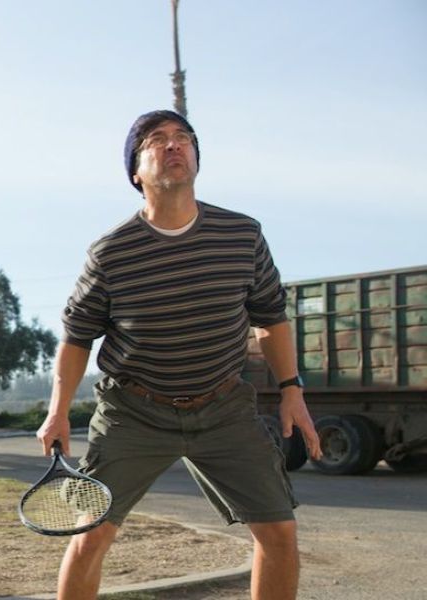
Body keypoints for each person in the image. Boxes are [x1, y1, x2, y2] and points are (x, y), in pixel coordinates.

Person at [36, 109, 323, 600]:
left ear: (194, 158)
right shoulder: (111, 252)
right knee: (91, 536)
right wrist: (57, 412)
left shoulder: (242, 235)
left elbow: (270, 316)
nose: (173, 146)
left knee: (279, 533)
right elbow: (77, 338)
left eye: (183, 138)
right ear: (135, 172)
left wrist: (292, 390)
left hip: (224, 407)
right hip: (134, 412)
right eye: (155, 140)